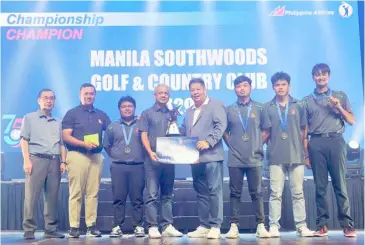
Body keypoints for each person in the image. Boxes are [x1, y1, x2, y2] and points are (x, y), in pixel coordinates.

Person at [303, 63, 356, 237]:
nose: (321, 77)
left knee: (340, 184)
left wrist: (338, 107)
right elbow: (304, 131)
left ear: (329, 76)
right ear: (313, 78)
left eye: (324, 74)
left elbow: (351, 120)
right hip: (316, 143)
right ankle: (322, 225)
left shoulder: (339, 95)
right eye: (317, 75)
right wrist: (306, 154)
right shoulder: (307, 100)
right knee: (320, 187)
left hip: (336, 141)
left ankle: (347, 225)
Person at [263, 72, 312, 237]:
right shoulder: (267, 107)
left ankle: (301, 225)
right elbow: (266, 133)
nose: (280, 87)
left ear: (289, 86)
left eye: (283, 84)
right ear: (273, 87)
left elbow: (303, 131)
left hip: (296, 156)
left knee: (298, 193)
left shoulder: (299, 105)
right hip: (275, 157)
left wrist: (306, 155)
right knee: (275, 193)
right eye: (277, 85)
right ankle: (274, 226)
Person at [223, 76, 271, 238]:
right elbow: (224, 131)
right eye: (238, 86)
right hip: (235, 158)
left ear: (251, 87)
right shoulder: (229, 109)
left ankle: (261, 225)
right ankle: (234, 225)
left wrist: (257, 145)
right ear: (234, 89)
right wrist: (233, 145)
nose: (242, 88)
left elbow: (266, 130)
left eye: (245, 85)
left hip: (254, 158)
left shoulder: (260, 108)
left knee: (257, 192)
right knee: (234, 193)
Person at [62, 83, 111, 238]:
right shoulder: (72, 113)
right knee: (76, 192)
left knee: (93, 193)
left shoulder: (101, 115)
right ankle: (74, 227)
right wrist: (83, 144)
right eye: (86, 93)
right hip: (77, 155)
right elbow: (66, 136)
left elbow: (112, 131)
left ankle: (91, 226)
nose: (89, 96)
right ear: (80, 95)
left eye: (91, 94)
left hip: (96, 156)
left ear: (95, 96)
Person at [181, 78, 227, 239]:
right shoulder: (188, 111)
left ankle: (215, 225)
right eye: (192, 90)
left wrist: (209, 141)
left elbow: (221, 126)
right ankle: (204, 224)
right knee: (201, 192)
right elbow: (184, 131)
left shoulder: (215, 105)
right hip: (195, 158)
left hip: (212, 156)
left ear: (204, 89)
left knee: (214, 191)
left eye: (198, 89)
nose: (195, 92)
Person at [20, 89, 66, 240]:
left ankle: (50, 229)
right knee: (31, 197)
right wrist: (27, 160)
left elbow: (61, 144)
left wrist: (63, 161)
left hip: (54, 160)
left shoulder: (58, 122)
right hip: (36, 159)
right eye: (45, 98)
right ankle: (29, 229)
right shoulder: (29, 118)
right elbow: (24, 140)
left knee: (52, 197)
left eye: (52, 98)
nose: (49, 101)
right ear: (38, 100)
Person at [139, 84, 183, 238]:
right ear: (155, 96)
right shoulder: (147, 113)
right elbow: (143, 135)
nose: (163, 95)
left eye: (166, 93)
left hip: (169, 159)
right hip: (152, 159)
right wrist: (150, 152)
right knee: (151, 194)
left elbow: (175, 134)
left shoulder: (172, 114)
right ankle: (152, 226)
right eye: (160, 93)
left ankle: (167, 225)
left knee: (167, 195)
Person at [103, 96, 145, 238]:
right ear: (119, 109)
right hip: (118, 167)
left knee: (137, 198)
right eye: (124, 106)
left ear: (134, 108)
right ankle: (117, 226)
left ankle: (138, 225)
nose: (127, 108)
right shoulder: (112, 126)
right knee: (118, 198)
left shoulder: (142, 125)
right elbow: (107, 146)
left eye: (130, 106)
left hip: (138, 166)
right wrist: (118, 157)